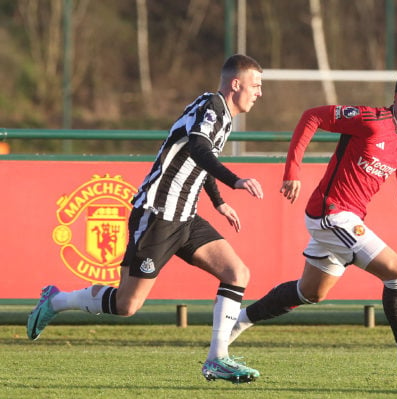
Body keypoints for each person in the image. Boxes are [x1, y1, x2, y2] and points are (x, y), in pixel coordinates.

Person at [27, 54, 266, 384]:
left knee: (237, 272)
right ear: (235, 84)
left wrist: (219, 202)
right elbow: (198, 148)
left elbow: (198, 159)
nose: (259, 93)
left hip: (186, 217)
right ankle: (55, 300)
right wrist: (235, 180)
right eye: (255, 85)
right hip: (157, 215)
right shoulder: (211, 105)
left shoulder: (222, 117)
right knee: (127, 305)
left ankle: (217, 359)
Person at [228, 70, 397, 377]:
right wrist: (292, 172)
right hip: (331, 213)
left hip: (345, 219)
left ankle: (239, 319)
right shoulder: (370, 120)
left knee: (310, 293)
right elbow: (312, 116)